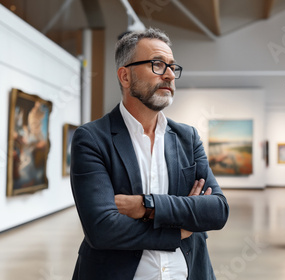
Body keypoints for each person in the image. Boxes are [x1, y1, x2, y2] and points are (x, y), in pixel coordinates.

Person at [70, 28, 229, 280]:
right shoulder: (92, 139)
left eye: (172, 67)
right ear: (125, 76)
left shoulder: (188, 138)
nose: (168, 74)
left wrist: (147, 205)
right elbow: (102, 229)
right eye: (157, 64)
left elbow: (217, 210)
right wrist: (179, 230)